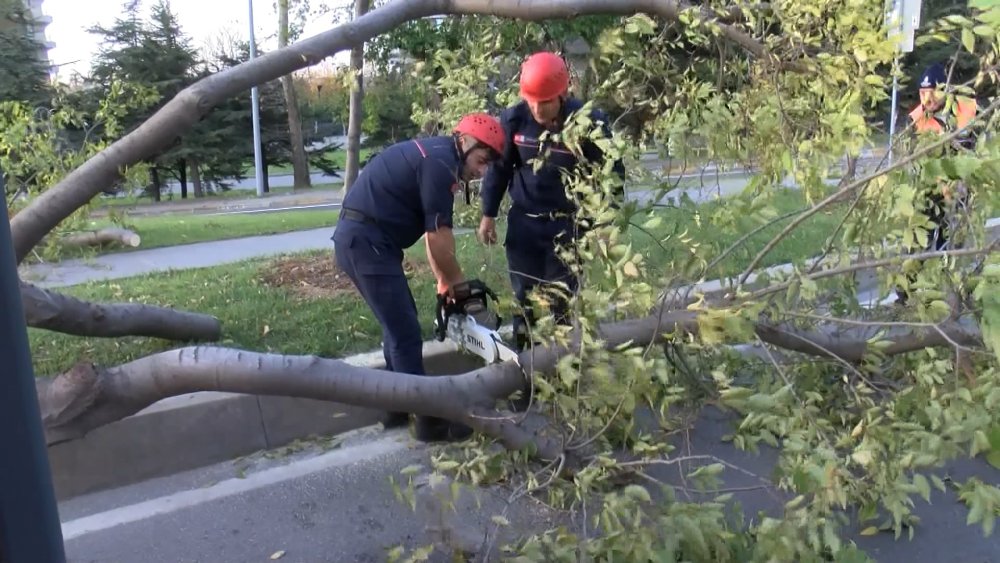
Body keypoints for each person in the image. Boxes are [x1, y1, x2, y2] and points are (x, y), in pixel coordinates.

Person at [332, 113, 506, 442]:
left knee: (396, 326)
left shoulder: (439, 155)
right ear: (465, 142)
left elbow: (432, 234)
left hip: (365, 241)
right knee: (405, 331)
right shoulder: (440, 165)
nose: (482, 171)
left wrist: (444, 280)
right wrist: (457, 283)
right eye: (482, 161)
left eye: (488, 167)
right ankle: (429, 422)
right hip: (367, 243)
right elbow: (440, 236)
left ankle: (396, 407)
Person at [477, 51, 626, 353]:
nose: (536, 108)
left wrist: (604, 224)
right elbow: (499, 170)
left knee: (562, 305)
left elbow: (611, 174)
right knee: (525, 304)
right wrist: (488, 214)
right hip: (524, 226)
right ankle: (525, 374)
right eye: (531, 100)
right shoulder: (514, 119)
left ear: (561, 94)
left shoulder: (588, 122)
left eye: (543, 101)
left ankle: (563, 378)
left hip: (568, 227)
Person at [894, 62, 979, 304]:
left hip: (961, 186)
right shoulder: (916, 119)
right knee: (917, 240)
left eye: (932, 92)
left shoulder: (968, 108)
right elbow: (911, 157)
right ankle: (905, 294)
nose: (927, 98)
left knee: (951, 242)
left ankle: (951, 296)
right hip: (929, 188)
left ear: (946, 90)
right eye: (922, 93)